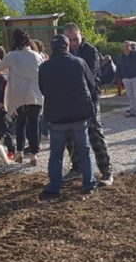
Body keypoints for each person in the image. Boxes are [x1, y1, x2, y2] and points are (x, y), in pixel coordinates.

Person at [38, 34, 97, 199]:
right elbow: (92, 84)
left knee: (56, 155)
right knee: (84, 151)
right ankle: (88, 184)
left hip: (57, 117)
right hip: (79, 115)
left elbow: (43, 89)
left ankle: (54, 187)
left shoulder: (44, 67)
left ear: (52, 48)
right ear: (67, 46)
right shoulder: (79, 63)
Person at [62, 23, 114, 187]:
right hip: (71, 98)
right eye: (70, 40)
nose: (73, 43)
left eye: (75, 39)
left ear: (81, 35)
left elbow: (90, 74)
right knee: (70, 135)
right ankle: (77, 168)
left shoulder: (90, 51)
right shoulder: (64, 52)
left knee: (94, 134)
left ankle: (106, 171)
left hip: (89, 98)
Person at [0, 29, 44, 166]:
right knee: (34, 125)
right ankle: (34, 155)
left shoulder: (11, 56)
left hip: (19, 95)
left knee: (20, 124)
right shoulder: (36, 55)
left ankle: (20, 152)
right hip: (36, 95)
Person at [117, 40, 136, 118]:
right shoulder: (121, 57)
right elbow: (118, 68)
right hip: (126, 78)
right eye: (124, 46)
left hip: (135, 77)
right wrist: (121, 78)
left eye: (128, 46)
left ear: (130, 46)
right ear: (122, 47)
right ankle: (132, 110)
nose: (126, 47)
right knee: (130, 96)